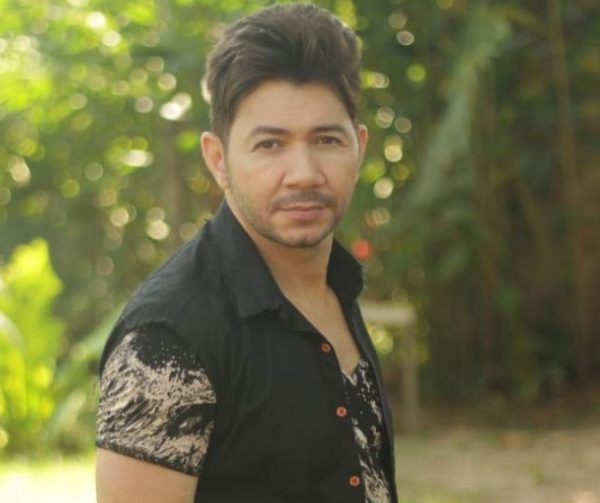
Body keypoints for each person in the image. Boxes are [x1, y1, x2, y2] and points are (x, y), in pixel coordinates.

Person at [95, 3, 397, 502]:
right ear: (219, 160)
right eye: (270, 145)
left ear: (358, 148)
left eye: (326, 140)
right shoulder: (167, 339)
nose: (303, 173)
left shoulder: (334, 287)